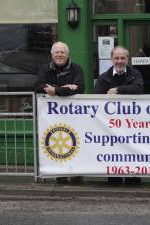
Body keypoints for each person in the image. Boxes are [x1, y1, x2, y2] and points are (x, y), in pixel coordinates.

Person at [35, 41, 85, 183]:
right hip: (52, 118)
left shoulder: (77, 69)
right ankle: (60, 174)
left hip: (74, 116)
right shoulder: (45, 69)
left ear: (67, 54)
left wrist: (56, 90)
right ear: (52, 54)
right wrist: (66, 88)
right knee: (56, 145)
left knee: (75, 144)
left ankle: (76, 174)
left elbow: (80, 87)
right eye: (56, 52)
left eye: (62, 52)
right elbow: (38, 86)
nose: (59, 55)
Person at [94, 46, 144, 185]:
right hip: (111, 125)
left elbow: (139, 89)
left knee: (132, 150)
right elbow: (96, 98)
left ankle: (133, 178)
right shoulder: (104, 77)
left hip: (132, 123)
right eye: (116, 58)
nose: (119, 61)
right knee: (113, 150)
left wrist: (118, 90)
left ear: (127, 59)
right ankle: (114, 178)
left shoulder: (135, 74)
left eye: (122, 58)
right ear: (111, 60)